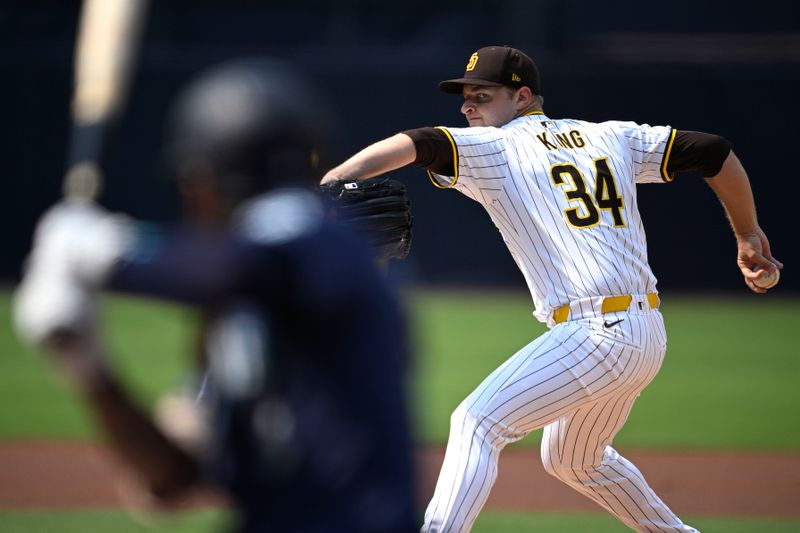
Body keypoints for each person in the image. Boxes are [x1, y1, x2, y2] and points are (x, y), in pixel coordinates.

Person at [320, 45, 783, 532]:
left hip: (597, 333)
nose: (467, 107)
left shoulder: (494, 148)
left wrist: (332, 182)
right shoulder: (611, 137)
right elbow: (713, 150)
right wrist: (747, 234)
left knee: (476, 423)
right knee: (573, 460)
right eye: (464, 97)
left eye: (481, 95)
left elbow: (415, 143)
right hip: (645, 333)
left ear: (522, 97)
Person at [14, 58, 418, 533]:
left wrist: (107, 251)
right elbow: (173, 479)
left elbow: (247, 262)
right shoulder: (248, 311)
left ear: (203, 180)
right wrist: (89, 369)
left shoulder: (314, 246)